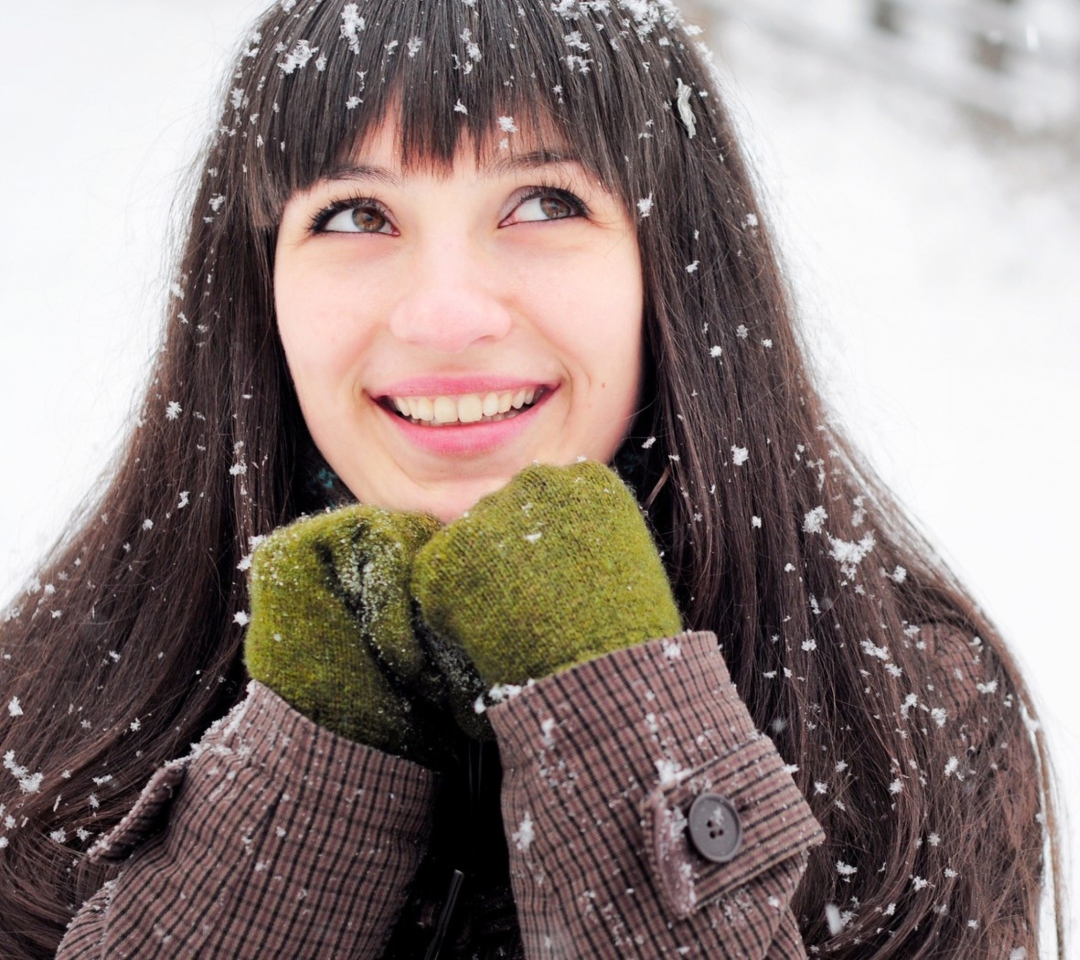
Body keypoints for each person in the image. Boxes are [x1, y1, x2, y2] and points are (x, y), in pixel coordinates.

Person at [0, 0, 1060, 956]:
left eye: (544, 203)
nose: (446, 315)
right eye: (358, 216)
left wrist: (617, 712)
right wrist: (302, 780)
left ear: (677, 269)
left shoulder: (910, 724)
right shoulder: (49, 714)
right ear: (256, 289)